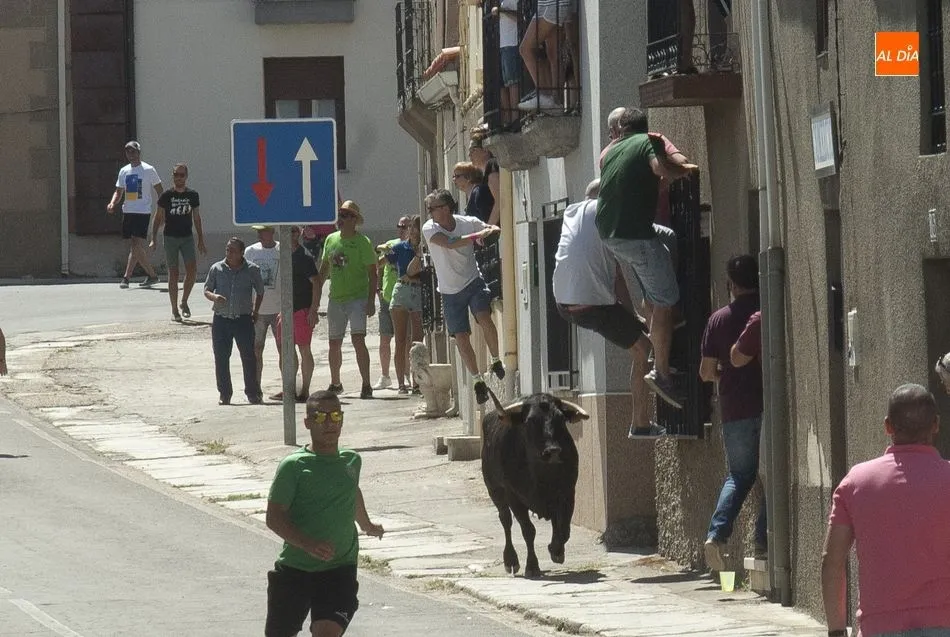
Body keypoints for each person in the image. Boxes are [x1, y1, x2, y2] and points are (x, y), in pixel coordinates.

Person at [822, 383, 950, 637]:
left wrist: (836, 631)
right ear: (936, 424)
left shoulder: (857, 482)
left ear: (888, 426)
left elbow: (832, 560)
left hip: (879, 627)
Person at [597, 106, 696, 409]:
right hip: (634, 236)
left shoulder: (611, 152)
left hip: (611, 233)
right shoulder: (648, 141)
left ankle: (657, 310)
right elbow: (661, 169)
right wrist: (684, 170)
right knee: (666, 299)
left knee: (666, 238)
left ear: (620, 129)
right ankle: (661, 372)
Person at [265, 390, 384, 637]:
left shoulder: (351, 461)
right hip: (295, 569)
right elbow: (273, 517)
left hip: (339, 569)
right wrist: (307, 544)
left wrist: (367, 525)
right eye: (320, 417)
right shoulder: (294, 466)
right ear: (307, 423)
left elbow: (351, 491)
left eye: (335, 416)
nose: (329, 423)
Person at [553, 179, 663, 437]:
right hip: (590, 303)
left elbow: (614, 274)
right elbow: (621, 275)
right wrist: (635, 313)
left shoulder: (573, 213)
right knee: (644, 349)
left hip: (565, 303)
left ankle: (641, 420)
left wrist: (632, 316)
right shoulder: (606, 211)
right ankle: (641, 423)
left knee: (638, 342)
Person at [699, 255, 765, 572]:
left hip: (735, 408)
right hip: (766, 404)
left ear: (731, 284)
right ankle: (763, 544)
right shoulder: (765, 311)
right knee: (770, 476)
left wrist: (722, 374)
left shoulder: (718, 320)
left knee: (739, 475)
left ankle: (717, 534)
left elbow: (705, 372)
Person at [421, 189, 504, 405]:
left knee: (484, 317)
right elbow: (450, 242)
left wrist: (490, 230)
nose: (431, 213)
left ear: (447, 208)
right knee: (461, 337)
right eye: (430, 209)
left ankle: (496, 360)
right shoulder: (430, 228)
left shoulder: (468, 222)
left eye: (435, 208)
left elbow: (493, 228)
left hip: (472, 281)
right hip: (449, 291)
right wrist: (478, 236)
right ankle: (477, 380)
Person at [318, 201, 378, 399]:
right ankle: (335, 383)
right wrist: (315, 298)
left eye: (345, 215)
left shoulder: (363, 242)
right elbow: (324, 269)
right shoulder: (331, 239)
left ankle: (366, 384)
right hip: (335, 298)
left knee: (358, 340)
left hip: (357, 298)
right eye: (339, 215)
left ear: (354, 219)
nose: (340, 219)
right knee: (334, 343)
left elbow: (373, 273)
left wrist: (371, 301)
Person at [203, 238, 265, 405]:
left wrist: (256, 311)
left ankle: (252, 393)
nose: (229, 253)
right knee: (221, 357)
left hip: (243, 319)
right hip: (221, 319)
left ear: (241, 253)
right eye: (227, 250)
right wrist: (214, 297)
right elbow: (207, 289)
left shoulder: (252, 270)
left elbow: (260, 291)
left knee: (248, 357)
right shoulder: (217, 268)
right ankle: (225, 394)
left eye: (233, 251)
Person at [149, 163, 206, 322]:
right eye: (176, 175)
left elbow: (196, 218)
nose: (178, 178)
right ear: (173, 176)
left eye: (181, 175)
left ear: (186, 177)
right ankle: (174, 309)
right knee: (173, 273)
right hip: (170, 237)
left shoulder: (192, 195)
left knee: (192, 271)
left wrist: (201, 239)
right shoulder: (166, 196)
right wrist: (153, 238)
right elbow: (158, 217)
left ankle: (184, 301)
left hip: (187, 237)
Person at [271, 226, 321, 403]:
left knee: (304, 349)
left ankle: (305, 390)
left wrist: (313, 310)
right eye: (286, 230)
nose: (289, 234)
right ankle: (289, 389)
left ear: (299, 234)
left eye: (293, 231)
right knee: (285, 350)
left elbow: (316, 283)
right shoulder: (281, 254)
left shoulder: (304, 256)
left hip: (302, 309)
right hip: (285, 311)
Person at [106, 140, 162, 289]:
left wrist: (162, 209)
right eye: (128, 151)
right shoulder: (124, 171)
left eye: (133, 151)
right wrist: (112, 203)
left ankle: (127, 277)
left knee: (136, 244)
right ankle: (151, 276)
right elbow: (119, 191)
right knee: (134, 246)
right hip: (128, 211)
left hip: (142, 211)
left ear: (139, 152)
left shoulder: (149, 169)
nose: (131, 154)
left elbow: (159, 190)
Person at [386, 215, 425, 395]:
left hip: (418, 291)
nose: (412, 231)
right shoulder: (400, 247)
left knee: (416, 341)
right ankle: (401, 383)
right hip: (402, 289)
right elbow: (385, 261)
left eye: (415, 227)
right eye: (411, 227)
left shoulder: (425, 248)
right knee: (400, 340)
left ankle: (416, 382)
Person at [517, 0, 578, 111]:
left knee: (525, 49)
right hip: (546, 4)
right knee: (553, 54)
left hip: (553, 4)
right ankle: (555, 101)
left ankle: (544, 95)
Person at [372, 216, 410, 391]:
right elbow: (379, 266)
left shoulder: (411, 247)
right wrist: (378, 289)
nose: (401, 229)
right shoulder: (390, 245)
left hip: (404, 298)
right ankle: (385, 376)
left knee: (405, 340)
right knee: (384, 338)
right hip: (387, 297)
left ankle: (407, 374)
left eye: (405, 226)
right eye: (399, 226)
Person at [245, 225, 281, 389]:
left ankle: (287, 388)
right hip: (257, 311)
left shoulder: (282, 250)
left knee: (283, 349)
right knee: (256, 349)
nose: (259, 234)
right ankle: (256, 387)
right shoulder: (250, 252)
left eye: (263, 231)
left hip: (279, 309)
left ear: (272, 232)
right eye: (258, 231)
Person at [490, 0, 522, 127]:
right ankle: (508, 119)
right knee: (503, 83)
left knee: (512, 81)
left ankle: (515, 118)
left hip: (511, 42)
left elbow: (520, 16)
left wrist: (502, 11)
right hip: (503, 44)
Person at [468, 138, 501, 226]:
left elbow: (500, 201)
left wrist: (489, 228)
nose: (469, 154)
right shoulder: (483, 176)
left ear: (485, 150)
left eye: (473, 150)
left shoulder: (492, 167)